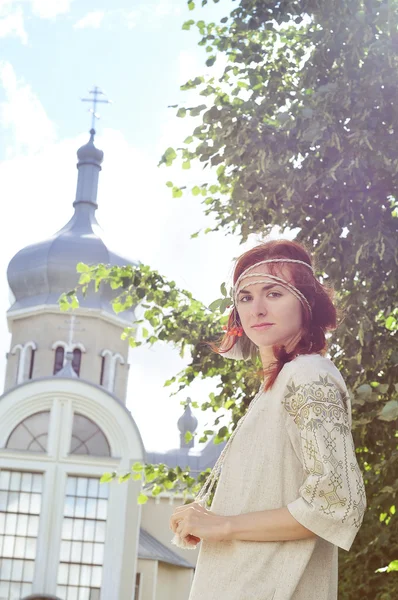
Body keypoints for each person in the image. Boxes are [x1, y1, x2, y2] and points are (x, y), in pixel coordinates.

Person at [169, 239, 367, 600]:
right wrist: (213, 517)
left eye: (274, 293)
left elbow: (336, 501)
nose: (257, 309)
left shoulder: (308, 374)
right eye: (245, 297)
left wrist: (224, 525)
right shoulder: (274, 389)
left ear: (305, 303)